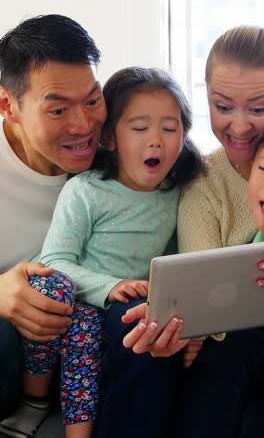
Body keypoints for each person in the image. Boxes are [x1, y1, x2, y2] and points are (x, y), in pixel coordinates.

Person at [3, 66, 203, 438]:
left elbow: (177, 262)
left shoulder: (178, 194)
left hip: (130, 310)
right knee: (105, 323)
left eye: (170, 129)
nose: (156, 141)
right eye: (141, 129)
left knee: (146, 331)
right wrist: (110, 286)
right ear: (109, 138)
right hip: (80, 308)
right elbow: (53, 262)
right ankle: (41, 405)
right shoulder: (87, 191)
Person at [122, 26, 264, 438]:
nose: (239, 126)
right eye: (222, 106)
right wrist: (181, 328)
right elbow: (202, 290)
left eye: (258, 108)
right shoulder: (205, 180)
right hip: (238, 342)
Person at [0, 13, 107, 432]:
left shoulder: (123, 156)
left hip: (95, 336)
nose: (83, 126)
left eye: (93, 100)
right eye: (58, 108)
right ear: (8, 105)